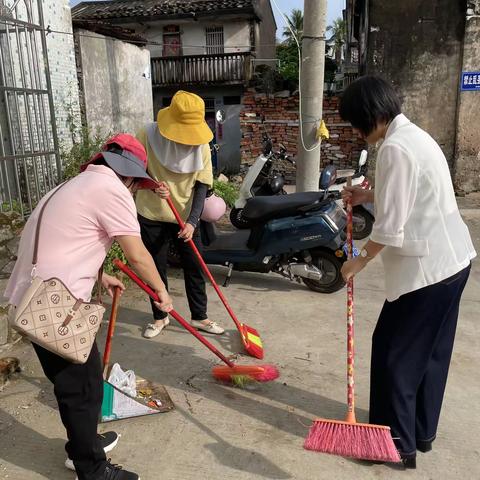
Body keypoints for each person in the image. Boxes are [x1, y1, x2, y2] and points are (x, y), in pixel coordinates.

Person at [5, 134, 173, 480]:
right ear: (128, 174)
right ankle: (91, 468)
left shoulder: (73, 185)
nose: (133, 190)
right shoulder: (111, 190)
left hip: (32, 298)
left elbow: (68, 238)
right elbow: (137, 254)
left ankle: (83, 445)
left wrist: (101, 274)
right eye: (136, 184)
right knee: (81, 389)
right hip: (55, 305)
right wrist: (161, 294)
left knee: (80, 383)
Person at [339, 76, 476, 468]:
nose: (355, 131)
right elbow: (410, 194)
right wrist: (370, 195)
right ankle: (421, 432)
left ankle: (395, 444)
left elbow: (389, 228)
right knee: (430, 354)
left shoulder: (395, 148)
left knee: (394, 354)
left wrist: (359, 260)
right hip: (453, 263)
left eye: (354, 123)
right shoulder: (414, 136)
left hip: (428, 273)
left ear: (369, 115)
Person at [135, 90, 225, 338]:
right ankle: (160, 317)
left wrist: (193, 221)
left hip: (184, 217)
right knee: (155, 268)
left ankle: (200, 316)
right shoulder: (146, 135)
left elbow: (202, 184)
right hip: (151, 213)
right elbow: (132, 169)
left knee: (194, 266)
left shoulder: (202, 146)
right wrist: (151, 184)